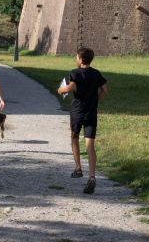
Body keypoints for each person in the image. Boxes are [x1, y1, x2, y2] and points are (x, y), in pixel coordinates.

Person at [57, 47, 108, 194]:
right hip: (91, 113)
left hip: (77, 112)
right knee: (90, 144)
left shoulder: (75, 72)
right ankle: (92, 176)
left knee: (74, 137)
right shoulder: (96, 74)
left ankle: (78, 168)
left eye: (76, 57)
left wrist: (60, 90)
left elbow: (70, 88)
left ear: (80, 59)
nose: (75, 59)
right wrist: (96, 99)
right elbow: (105, 90)